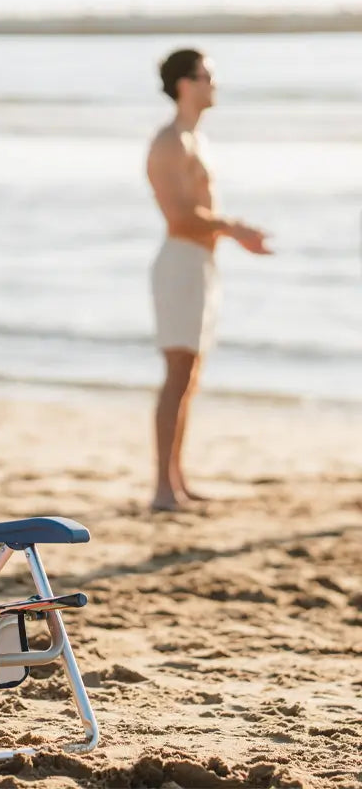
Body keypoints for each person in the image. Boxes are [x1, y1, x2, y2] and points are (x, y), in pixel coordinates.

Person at [147, 49, 272, 512]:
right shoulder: (169, 141)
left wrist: (230, 233)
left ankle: (177, 480)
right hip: (179, 262)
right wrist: (234, 227)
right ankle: (162, 487)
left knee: (190, 376)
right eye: (207, 76)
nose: (214, 84)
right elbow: (179, 217)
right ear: (185, 83)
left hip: (199, 264)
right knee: (177, 374)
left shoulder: (194, 138)